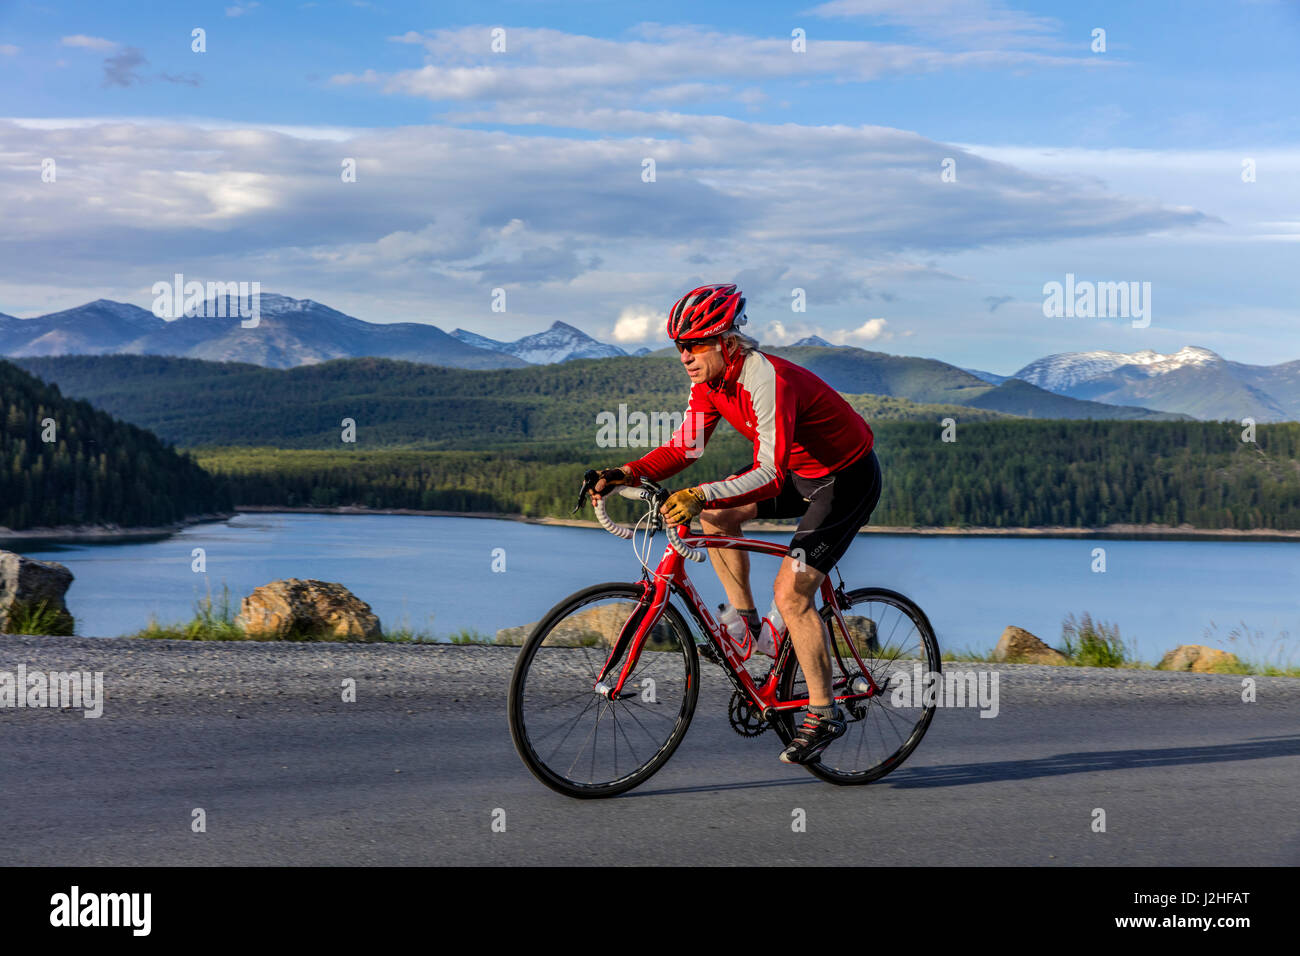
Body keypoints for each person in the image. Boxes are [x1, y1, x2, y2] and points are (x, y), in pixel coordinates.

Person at [592, 283, 882, 764]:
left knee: (792, 594)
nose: (685, 355)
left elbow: (768, 475)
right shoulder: (709, 383)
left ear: (727, 341)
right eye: (680, 346)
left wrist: (697, 491)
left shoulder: (766, 379)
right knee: (715, 513)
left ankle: (824, 711)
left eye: (695, 344)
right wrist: (625, 473)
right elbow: (685, 448)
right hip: (803, 473)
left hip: (846, 478)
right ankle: (747, 624)